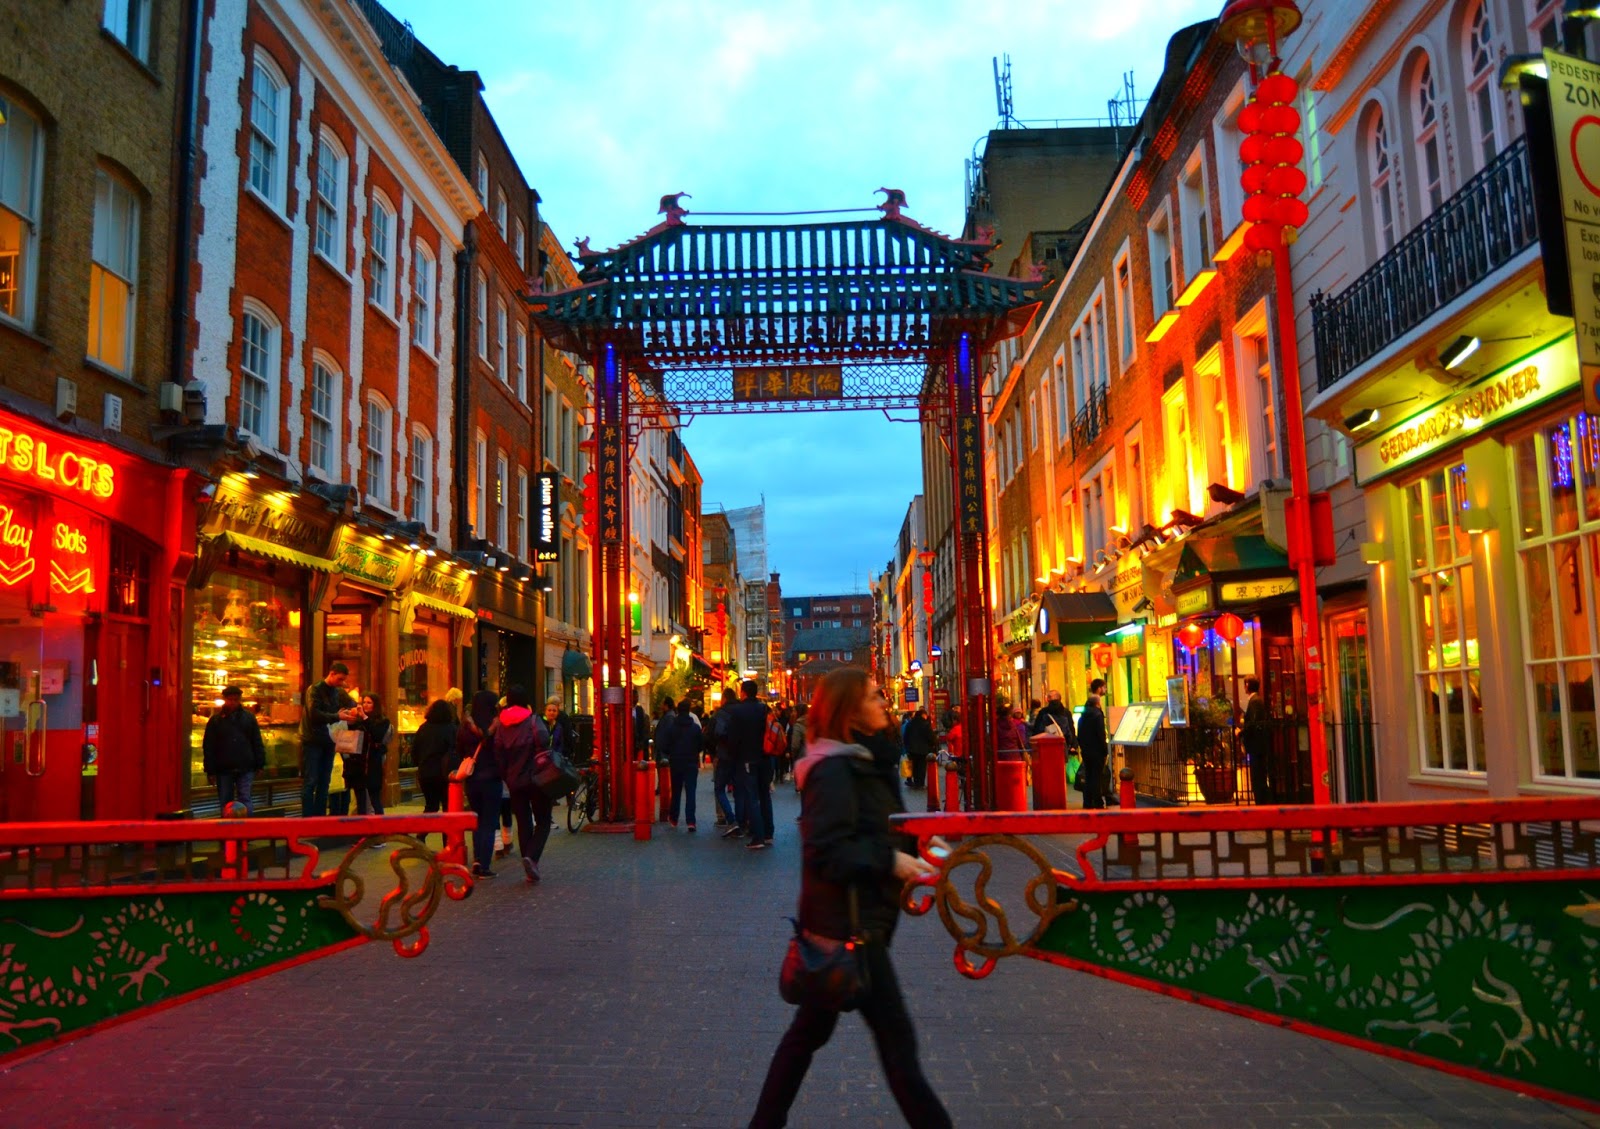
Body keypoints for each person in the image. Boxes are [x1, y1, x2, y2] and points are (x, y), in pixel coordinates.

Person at [749, 668, 949, 1129]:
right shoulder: (836, 770)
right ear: (851, 712)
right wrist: (892, 862)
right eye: (874, 697)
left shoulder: (864, 761)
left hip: (853, 924)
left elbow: (877, 827)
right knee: (899, 1052)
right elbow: (829, 850)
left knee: (807, 1037)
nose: (884, 703)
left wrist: (920, 845)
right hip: (851, 927)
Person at [493, 685, 552, 884]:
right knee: (543, 820)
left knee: (523, 821)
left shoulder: (501, 725)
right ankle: (531, 858)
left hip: (514, 781)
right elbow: (544, 740)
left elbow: (498, 753)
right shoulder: (533, 720)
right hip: (536, 778)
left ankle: (528, 863)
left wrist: (507, 775)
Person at [300, 662, 357, 816]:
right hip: (313, 740)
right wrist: (337, 716)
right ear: (331, 674)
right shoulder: (314, 690)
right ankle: (307, 818)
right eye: (340, 679)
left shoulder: (338, 692)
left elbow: (352, 705)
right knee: (311, 780)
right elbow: (314, 715)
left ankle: (320, 817)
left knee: (325, 781)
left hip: (329, 740)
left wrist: (351, 713)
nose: (341, 683)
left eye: (343, 680)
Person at [723, 679, 773, 849]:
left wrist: (732, 757)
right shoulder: (764, 708)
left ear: (743, 692)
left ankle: (757, 836)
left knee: (752, 797)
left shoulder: (738, 711)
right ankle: (768, 832)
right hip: (765, 757)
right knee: (764, 794)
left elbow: (733, 738)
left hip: (747, 758)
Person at [203, 685, 266, 814]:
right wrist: (210, 770)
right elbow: (209, 746)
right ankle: (236, 825)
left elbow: (256, 741)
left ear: (239, 700)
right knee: (229, 800)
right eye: (230, 700)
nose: (232, 703)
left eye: (235, 700)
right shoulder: (216, 720)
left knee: (242, 798)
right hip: (226, 767)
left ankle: (241, 825)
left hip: (242, 766)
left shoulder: (247, 718)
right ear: (225, 700)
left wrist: (260, 763)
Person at [461, 690, 502, 877]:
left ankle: (477, 859)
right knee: (489, 821)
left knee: (476, 820)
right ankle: (484, 865)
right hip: (492, 778)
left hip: (471, 778)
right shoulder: (496, 726)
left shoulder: (465, 727)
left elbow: (459, 749)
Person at [409, 699, 457, 843]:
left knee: (431, 806)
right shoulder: (451, 729)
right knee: (448, 808)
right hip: (444, 774)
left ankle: (421, 834)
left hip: (425, 773)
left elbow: (414, 751)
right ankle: (447, 843)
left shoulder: (423, 728)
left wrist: (420, 764)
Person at [660, 697, 704, 830]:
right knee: (691, 791)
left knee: (676, 791)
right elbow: (701, 745)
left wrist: (671, 753)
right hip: (691, 761)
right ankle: (691, 821)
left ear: (678, 711)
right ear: (689, 711)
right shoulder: (695, 728)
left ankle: (674, 818)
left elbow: (664, 745)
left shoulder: (672, 728)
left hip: (676, 761)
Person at [348, 693, 392, 816]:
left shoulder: (383, 721)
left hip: (373, 762)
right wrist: (350, 721)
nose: (365, 705)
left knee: (374, 796)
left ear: (375, 705)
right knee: (360, 797)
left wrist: (364, 717)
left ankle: (380, 823)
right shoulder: (358, 721)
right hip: (358, 762)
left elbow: (377, 735)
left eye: (369, 702)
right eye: (364, 702)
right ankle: (362, 823)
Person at [1241, 677, 1275, 805]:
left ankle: (1261, 803)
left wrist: (1241, 732)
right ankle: (1262, 801)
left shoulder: (1255, 701)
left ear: (1248, 685)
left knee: (1258, 776)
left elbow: (1254, 723)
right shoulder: (1256, 700)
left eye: (1245, 684)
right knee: (1258, 775)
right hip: (1257, 746)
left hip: (1257, 746)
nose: (1244, 687)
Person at [709, 691, 740, 829]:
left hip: (723, 755)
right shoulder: (742, 711)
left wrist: (713, 753)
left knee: (719, 788)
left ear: (724, 699)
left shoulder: (720, 714)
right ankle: (742, 819)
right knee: (740, 789)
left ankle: (729, 818)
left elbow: (711, 735)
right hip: (741, 756)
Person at [1078, 690, 1110, 810]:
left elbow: (1079, 734)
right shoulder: (1098, 715)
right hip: (1097, 750)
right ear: (1097, 703)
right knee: (1097, 777)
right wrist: (1104, 749)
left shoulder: (1083, 715)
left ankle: (1087, 802)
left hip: (1086, 750)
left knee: (1089, 776)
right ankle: (1098, 802)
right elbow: (1100, 734)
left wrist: (1082, 747)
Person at [902, 708, 935, 789]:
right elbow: (931, 737)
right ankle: (920, 783)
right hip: (923, 749)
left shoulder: (910, 724)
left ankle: (915, 781)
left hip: (911, 749)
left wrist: (907, 746)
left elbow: (905, 736)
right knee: (921, 767)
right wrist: (932, 745)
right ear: (923, 715)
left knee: (914, 766)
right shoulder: (925, 724)